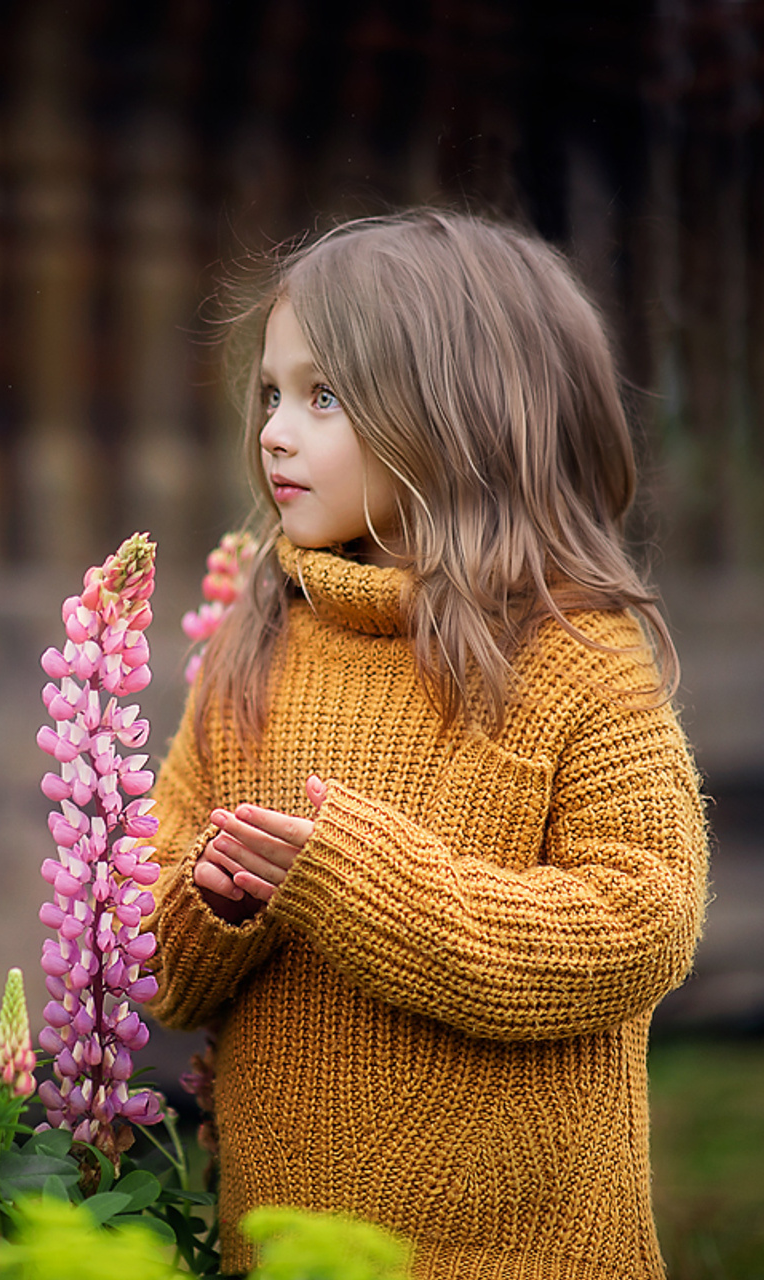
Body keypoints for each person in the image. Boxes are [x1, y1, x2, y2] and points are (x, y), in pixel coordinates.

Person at [146, 209, 709, 1279]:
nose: (273, 428)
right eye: (270, 392)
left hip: (526, 1252)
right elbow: (165, 976)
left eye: (322, 396)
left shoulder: (572, 657)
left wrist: (357, 882)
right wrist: (214, 905)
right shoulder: (252, 648)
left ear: (459, 417)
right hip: (287, 1247)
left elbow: (642, 921)